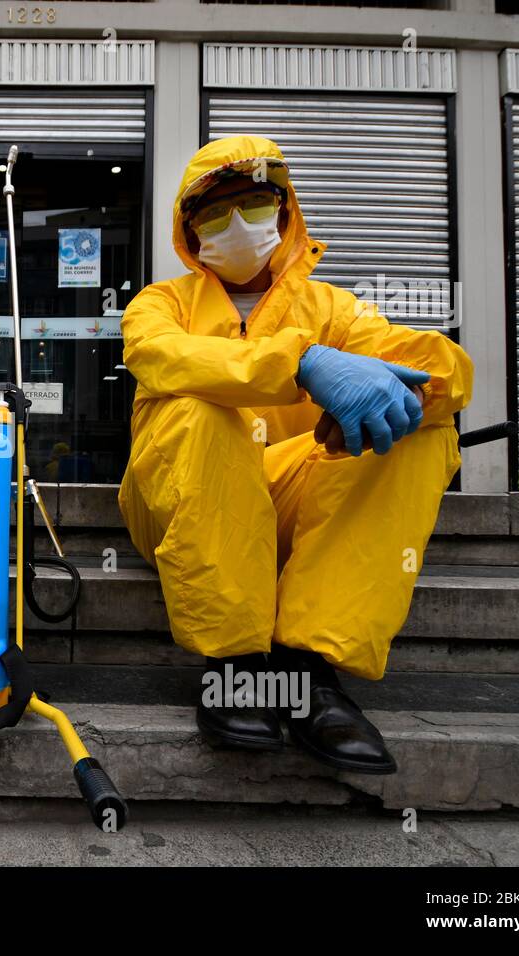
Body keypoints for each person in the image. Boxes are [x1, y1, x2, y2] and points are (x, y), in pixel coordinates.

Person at [118, 135, 473, 774]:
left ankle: (308, 672)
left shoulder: (331, 307)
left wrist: (384, 393)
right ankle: (234, 665)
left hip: (285, 494)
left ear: (284, 211)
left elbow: (439, 367)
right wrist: (303, 362)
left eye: (252, 202)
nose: (235, 223)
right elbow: (162, 357)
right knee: (196, 402)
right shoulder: (161, 303)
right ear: (189, 230)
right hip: (175, 508)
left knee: (418, 421)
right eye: (213, 211)